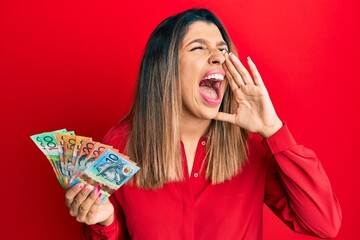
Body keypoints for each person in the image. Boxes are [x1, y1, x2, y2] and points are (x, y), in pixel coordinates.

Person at [64, 8, 342, 239]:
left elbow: (324, 224)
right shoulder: (121, 144)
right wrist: (104, 221)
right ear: (166, 67)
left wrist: (273, 130)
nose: (219, 56)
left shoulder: (250, 147)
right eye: (198, 47)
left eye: (222, 49)